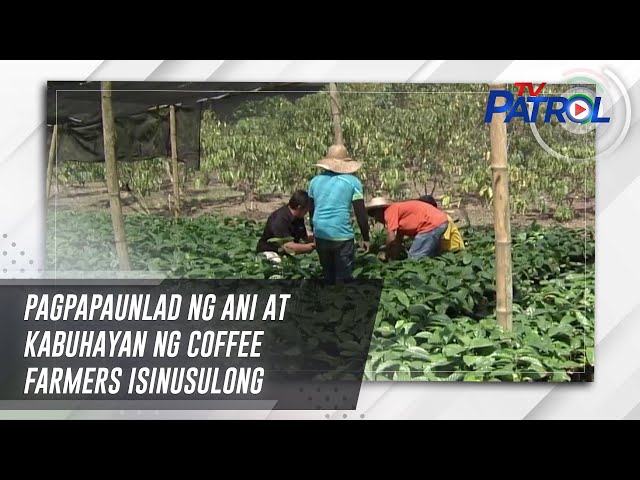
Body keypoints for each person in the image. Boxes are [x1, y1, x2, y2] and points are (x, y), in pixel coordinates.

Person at [308, 144, 370, 284]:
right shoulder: (353, 182)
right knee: (343, 277)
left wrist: (314, 231)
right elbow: (360, 213)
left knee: (328, 275)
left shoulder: (314, 181)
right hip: (341, 235)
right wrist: (366, 237)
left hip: (321, 233)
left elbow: (311, 210)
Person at [366, 196, 449, 260]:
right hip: (439, 221)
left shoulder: (389, 211)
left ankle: (417, 280)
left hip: (432, 224)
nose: (376, 219)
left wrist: (386, 252)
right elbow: (397, 241)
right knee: (431, 255)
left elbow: (391, 238)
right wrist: (392, 259)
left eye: (374, 214)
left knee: (414, 257)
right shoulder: (398, 214)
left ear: (379, 211)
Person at [256, 190, 315, 264]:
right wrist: (313, 246)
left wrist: (318, 239)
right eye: (306, 210)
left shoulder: (299, 217)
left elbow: (304, 238)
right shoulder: (280, 219)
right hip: (269, 252)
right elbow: (289, 247)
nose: (307, 212)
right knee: (277, 263)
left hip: (284, 253)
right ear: (299, 208)